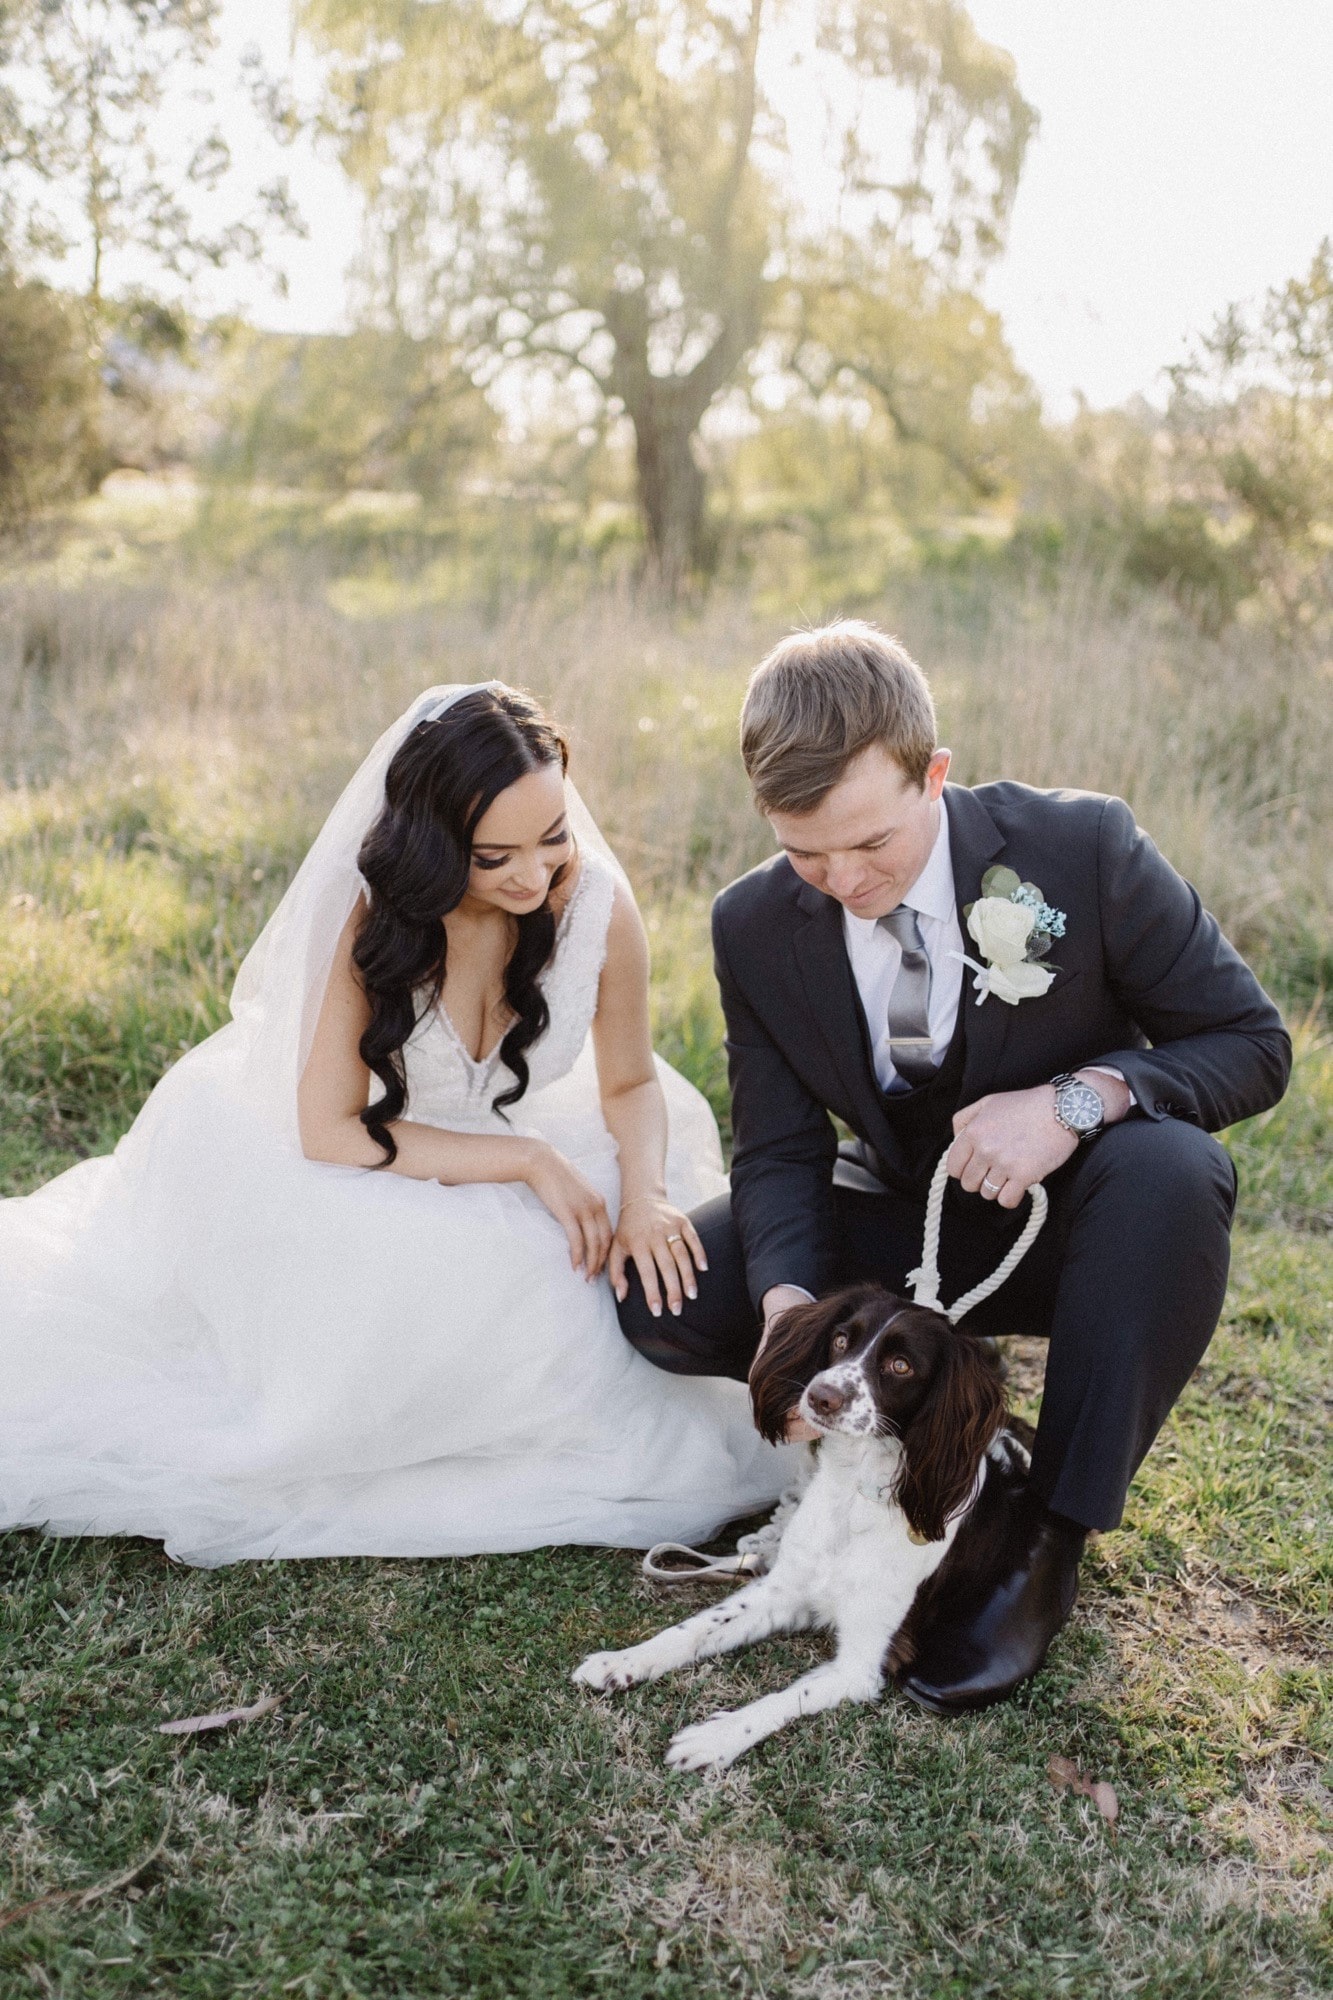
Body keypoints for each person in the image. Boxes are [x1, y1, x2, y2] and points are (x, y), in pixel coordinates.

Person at [616, 621, 1291, 1713]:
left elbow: (1251, 1043)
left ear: (932, 773)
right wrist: (791, 1316)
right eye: (804, 852)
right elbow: (781, 1146)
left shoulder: (1084, 849)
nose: (841, 879)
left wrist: (1075, 1102)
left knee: (1173, 1171)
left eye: (868, 843)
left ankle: (1046, 1529)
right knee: (673, 1298)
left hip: (1084, 1232)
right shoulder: (751, 923)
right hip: (902, 1227)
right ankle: (919, 1413)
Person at [0, 683, 792, 1565]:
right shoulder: (372, 926)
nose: (534, 876)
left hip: (525, 1124)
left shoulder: (595, 908)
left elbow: (633, 1083)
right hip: (363, 1158)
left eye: (553, 836)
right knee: (424, 1295)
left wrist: (643, 1194)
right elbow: (331, 1132)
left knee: (602, 1275)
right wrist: (526, 1159)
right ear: (434, 844)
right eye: (494, 857)